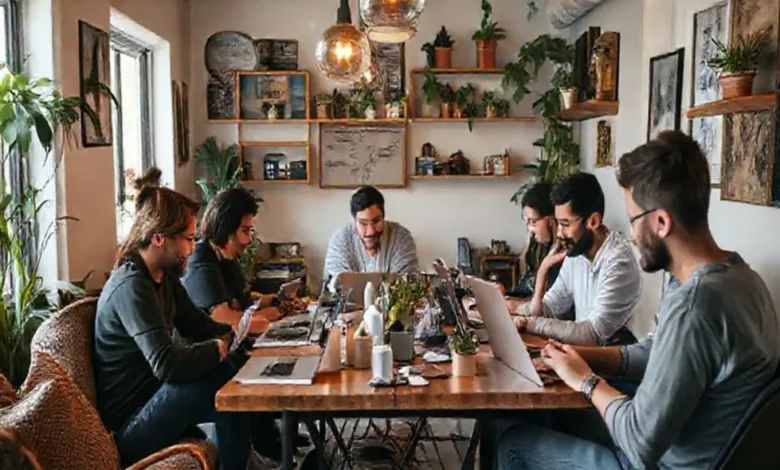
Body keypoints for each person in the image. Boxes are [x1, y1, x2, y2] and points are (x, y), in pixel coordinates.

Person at [496, 130, 780, 470]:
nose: (629, 234)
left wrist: (585, 380)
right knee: (547, 415)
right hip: (674, 445)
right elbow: (656, 351)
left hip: (657, 462)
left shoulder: (695, 306)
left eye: (633, 220)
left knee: (511, 440)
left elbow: (639, 442)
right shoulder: (741, 278)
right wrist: (579, 358)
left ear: (660, 222)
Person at [93, 186, 264, 470]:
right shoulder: (132, 286)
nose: (193, 249)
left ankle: (247, 460)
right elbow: (166, 365)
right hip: (132, 428)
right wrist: (218, 348)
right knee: (221, 371)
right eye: (188, 239)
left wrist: (237, 336)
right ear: (159, 238)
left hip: (158, 402)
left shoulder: (163, 276)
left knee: (232, 378)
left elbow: (197, 324)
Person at [512, 172, 641, 346]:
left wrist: (531, 323)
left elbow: (592, 333)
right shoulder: (578, 252)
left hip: (610, 366)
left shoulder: (618, 261)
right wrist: (542, 272)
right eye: (558, 224)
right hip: (582, 357)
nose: (558, 233)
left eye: (565, 224)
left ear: (593, 221)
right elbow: (550, 308)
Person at [182, 187, 280, 335]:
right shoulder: (200, 258)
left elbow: (243, 301)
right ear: (227, 230)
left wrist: (277, 301)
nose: (249, 239)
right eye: (245, 231)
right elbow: (221, 317)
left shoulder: (227, 257)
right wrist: (265, 316)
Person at [324, 185, 419, 279]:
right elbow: (337, 282)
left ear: (383, 217)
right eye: (363, 223)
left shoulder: (401, 237)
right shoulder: (340, 239)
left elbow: (407, 282)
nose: (370, 232)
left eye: (376, 221)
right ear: (354, 220)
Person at [507, 182, 560, 300]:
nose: (530, 229)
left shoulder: (563, 257)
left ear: (552, 220)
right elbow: (526, 288)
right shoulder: (537, 245)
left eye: (533, 222)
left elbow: (547, 304)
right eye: (527, 221)